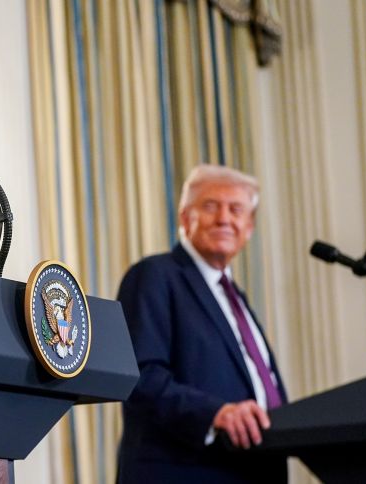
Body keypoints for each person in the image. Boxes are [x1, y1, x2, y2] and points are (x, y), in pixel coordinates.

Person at [116, 165, 288, 483]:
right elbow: (139, 377)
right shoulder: (155, 275)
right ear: (185, 218)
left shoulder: (235, 297)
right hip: (185, 470)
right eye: (210, 206)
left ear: (248, 227)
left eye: (236, 209)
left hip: (254, 468)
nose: (224, 218)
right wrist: (216, 413)